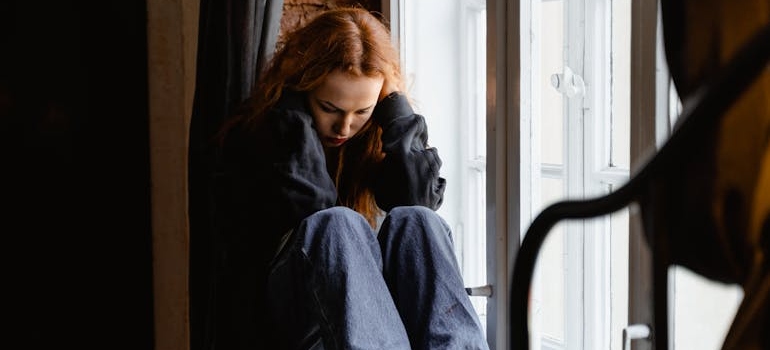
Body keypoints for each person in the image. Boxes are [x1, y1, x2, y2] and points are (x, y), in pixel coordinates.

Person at [215, 6, 489, 350]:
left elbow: (420, 202)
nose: (344, 127)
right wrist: (294, 113)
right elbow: (314, 212)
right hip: (288, 316)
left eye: (362, 111)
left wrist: (395, 108)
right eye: (329, 108)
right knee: (336, 224)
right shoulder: (261, 136)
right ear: (301, 90)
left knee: (418, 220)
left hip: (364, 324)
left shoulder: (372, 138)